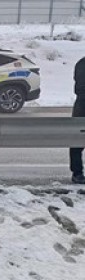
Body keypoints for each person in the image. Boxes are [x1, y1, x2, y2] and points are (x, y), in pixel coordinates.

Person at [70, 56, 85, 184]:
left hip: (81, 105)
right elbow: (81, 87)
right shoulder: (83, 64)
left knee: (77, 142)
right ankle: (77, 173)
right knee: (77, 141)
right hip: (83, 106)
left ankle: (77, 173)